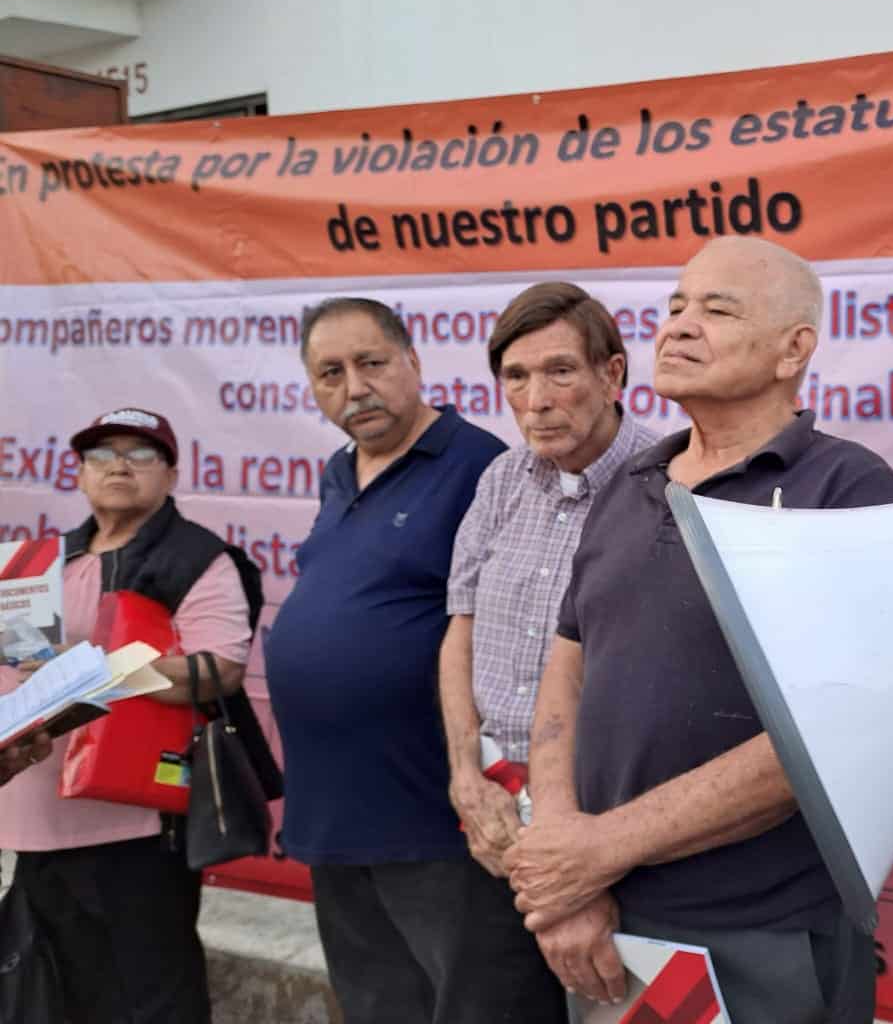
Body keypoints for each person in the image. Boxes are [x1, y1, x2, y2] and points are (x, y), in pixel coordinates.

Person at [503, 237, 893, 1023]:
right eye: (677, 306)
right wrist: (564, 870)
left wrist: (597, 852)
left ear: (795, 349)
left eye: (717, 310)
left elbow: (825, 735)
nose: (679, 327)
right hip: (611, 922)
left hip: (761, 935)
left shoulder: (845, 487)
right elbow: (567, 674)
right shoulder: (630, 482)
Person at [264, 298, 512, 1024]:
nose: (354, 387)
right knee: (377, 1006)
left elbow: (506, 637)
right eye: (330, 373)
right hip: (334, 810)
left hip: (432, 814)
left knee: (473, 1005)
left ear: (413, 361)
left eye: (371, 363)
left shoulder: (480, 467)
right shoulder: (339, 475)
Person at [439, 282, 657, 1015]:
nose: (536, 399)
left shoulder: (670, 483)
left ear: (613, 374)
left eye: (560, 371)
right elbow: (459, 629)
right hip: (495, 822)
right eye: (516, 378)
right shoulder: (502, 479)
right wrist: (465, 773)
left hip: (615, 834)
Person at [0, 407, 256, 1024]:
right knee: (47, 999)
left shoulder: (199, 557)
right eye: (101, 454)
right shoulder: (35, 564)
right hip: (32, 829)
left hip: (135, 830)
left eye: (141, 454)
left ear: (171, 474)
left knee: (148, 1002)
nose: (118, 465)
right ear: (80, 475)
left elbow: (219, 670)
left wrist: (93, 667)